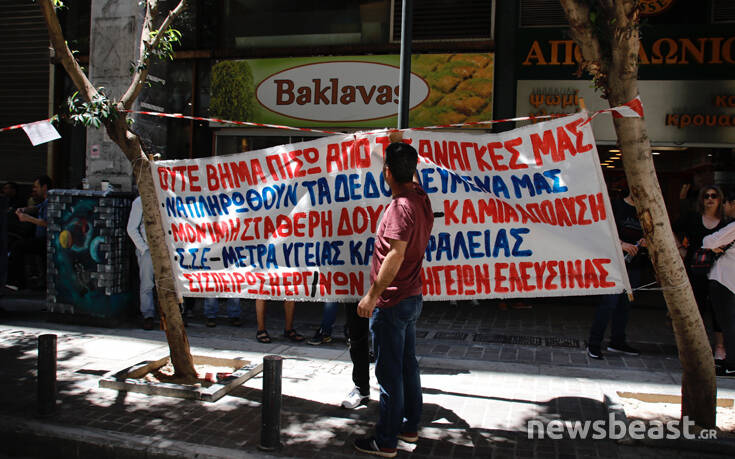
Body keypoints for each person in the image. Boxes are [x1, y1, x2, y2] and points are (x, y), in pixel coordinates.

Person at [354, 142, 434, 458]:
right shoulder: (421, 198)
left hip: (391, 303)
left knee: (389, 374)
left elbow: (395, 255)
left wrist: (372, 296)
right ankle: (409, 429)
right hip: (411, 298)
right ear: (413, 172)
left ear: (387, 172)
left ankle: (386, 441)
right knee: (407, 367)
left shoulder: (401, 207)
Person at [586, 189, 644, 360]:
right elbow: (602, 230)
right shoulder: (616, 205)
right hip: (613, 263)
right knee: (608, 304)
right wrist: (621, 244)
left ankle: (617, 342)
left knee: (625, 305)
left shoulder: (646, 209)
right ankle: (594, 344)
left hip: (635, 263)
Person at [675, 185, 728, 361]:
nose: (710, 199)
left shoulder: (726, 222)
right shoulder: (693, 218)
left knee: (718, 308)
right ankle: (694, 345)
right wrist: (680, 248)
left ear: (720, 200)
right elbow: (671, 228)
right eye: (706, 196)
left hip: (719, 270)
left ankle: (719, 346)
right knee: (694, 307)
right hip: (695, 268)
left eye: (714, 196)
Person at [309, 301, 372, 409]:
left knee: (384, 341)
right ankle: (362, 388)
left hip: (383, 296)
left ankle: (390, 391)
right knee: (357, 338)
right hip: (358, 293)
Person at [703, 187, 735, 377]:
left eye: (725, 203)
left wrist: (720, 246)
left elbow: (708, 242)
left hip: (725, 280)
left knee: (728, 324)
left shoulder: (732, 227)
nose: (724, 207)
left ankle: (731, 363)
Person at [8, 176, 51, 290]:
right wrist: (24, 209)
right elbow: (36, 208)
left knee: (18, 247)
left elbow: (47, 223)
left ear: (44, 187)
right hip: (40, 238)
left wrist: (27, 218)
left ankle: (17, 281)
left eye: (36, 187)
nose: (34, 190)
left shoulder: (51, 202)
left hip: (46, 239)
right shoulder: (45, 202)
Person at [126, 195, 157, 330]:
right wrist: (144, 248)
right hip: (148, 249)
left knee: (167, 283)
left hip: (165, 249)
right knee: (147, 284)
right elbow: (131, 228)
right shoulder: (139, 202)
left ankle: (167, 315)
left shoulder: (165, 197)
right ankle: (148, 315)